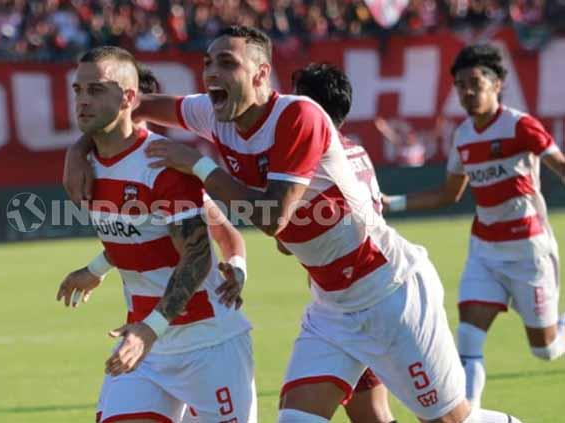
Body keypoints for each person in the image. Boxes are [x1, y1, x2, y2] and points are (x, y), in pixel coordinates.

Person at [65, 26, 520, 423]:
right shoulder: (213, 112)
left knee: (450, 421)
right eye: (207, 64)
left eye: (227, 63)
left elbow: (270, 218)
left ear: (262, 75)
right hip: (331, 306)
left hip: (389, 291)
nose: (211, 75)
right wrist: (79, 150)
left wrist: (199, 167)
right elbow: (125, 105)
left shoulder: (298, 116)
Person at [55, 46, 257, 423]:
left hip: (208, 343)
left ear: (129, 98)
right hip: (144, 342)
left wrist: (151, 330)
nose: (82, 101)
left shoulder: (163, 165)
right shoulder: (84, 167)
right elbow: (138, 234)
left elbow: (197, 257)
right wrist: (96, 268)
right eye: (78, 91)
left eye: (95, 90)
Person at [383, 43, 565, 410]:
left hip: (529, 251)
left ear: (497, 85)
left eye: (475, 83)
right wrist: (394, 203)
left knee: (545, 350)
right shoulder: (463, 135)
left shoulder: (520, 126)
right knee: (467, 337)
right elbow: (450, 193)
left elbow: (559, 165)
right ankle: (470, 414)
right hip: (484, 252)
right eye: (460, 85)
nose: (466, 92)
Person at [289, 62, 395, 423]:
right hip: (353, 297)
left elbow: (284, 241)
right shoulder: (356, 150)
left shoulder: (314, 163)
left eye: (294, 100)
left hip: (356, 303)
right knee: (373, 416)